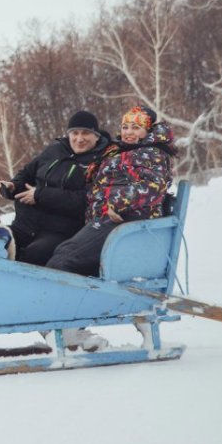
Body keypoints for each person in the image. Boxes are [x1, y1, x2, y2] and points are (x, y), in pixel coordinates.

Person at [45, 104, 177, 352]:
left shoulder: (150, 154)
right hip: (109, 222)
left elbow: (150, 189)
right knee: (60, 251)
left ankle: (68, 327)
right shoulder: (123, 151)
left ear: (147, 131)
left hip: (127, 226)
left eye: (135, 128)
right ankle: (72, 327)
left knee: (63, 259)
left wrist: (115, 203)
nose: (128, 132)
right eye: (125, 126)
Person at [0, 110, 109, 265]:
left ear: (96, 135)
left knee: (33, 255)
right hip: (24, 226)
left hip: (59, 232)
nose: (79, 139)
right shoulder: (54, 150)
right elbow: (26, 176)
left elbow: (86, 199)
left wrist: (40, 195)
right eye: (74, 133)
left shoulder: (103, 162)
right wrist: (11, 186)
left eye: (86, 133)